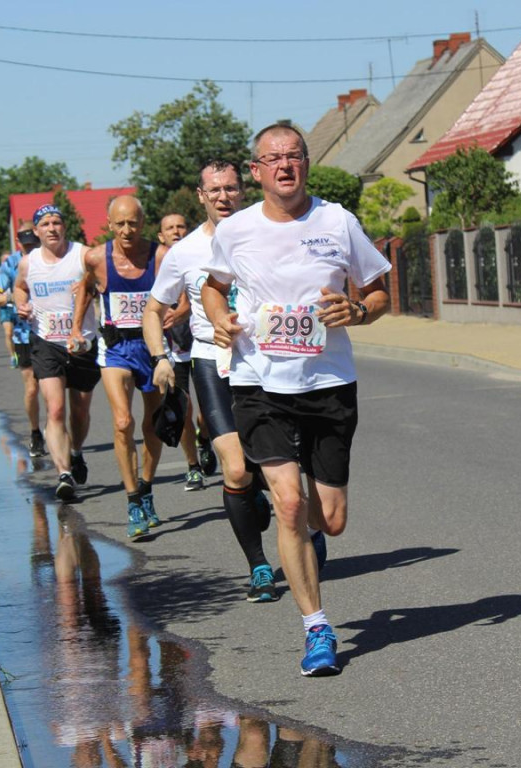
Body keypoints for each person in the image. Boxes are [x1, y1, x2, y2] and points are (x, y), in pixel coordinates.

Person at [202, 123, 391, 676]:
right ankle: (317, 629)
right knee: (287, 504)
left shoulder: (338, 222)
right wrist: (219, 319)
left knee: (329, 519)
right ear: (256, 170)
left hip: (328, 383)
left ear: (306, 164)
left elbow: (378, 289)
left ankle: (303, 534)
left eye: (294, 156)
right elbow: (214, 285)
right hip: (259, 382)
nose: (285, 165)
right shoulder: (235, 230)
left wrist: (357, 311)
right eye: (273, 158)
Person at [143, 160, 279, 602]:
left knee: (269, 465)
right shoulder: (183, 252)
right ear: (200, 196)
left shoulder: (267, 231)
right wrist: (160, 357)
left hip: (266, 361)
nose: (223, 196)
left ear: (244, 191)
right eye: (214, 190)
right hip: (211, 360)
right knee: (235, 467)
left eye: (231, 188)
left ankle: (263, 497)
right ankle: (258, 566)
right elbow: (152, 309)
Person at [74, 195, 168, 540]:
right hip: (116, 348)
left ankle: (146, 488)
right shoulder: (97, 257)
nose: (127, 230)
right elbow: (85, 290)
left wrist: (174, 315)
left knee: (154, 424)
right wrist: (75, 328)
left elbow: (182, 294)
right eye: (120, 224)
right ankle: (131, 501)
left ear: (143, 223)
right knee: (123, 421)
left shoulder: (160, 255)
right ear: (109, 223)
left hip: (153, 346)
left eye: (133, 223)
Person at [15, 205, 100, 501]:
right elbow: (19, 288)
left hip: (82, 342)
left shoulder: (84, 255)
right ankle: (63, 473)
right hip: (45, 340)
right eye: (45, 224)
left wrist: (92, 284)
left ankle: (76, 452)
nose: (52, 228)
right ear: (36, 231)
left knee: (79, 409)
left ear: (65, 228)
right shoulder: (29, 262)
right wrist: (21, 304)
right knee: (55, 409)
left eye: (57, 223)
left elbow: (104, 279)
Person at [156, 213, 204, 492]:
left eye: (181, 226)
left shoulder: (199, 256)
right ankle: (193, 466)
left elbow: (187, 304)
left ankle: (206, 439)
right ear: (161, 236)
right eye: (169, 228)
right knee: (183, 409)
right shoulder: (157, 264)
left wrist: (181, 312)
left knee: (209, 412)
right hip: (174, 350)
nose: (176, 231)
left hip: (201, 344)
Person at [0, 225, 47, 457]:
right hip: (24, 333)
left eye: (33, 244)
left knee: (54, 389)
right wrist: (14, 295)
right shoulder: (10, 265)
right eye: (26, 245)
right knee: (32, 388)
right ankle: (35, 433)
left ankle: (57, 431)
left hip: (50, 332)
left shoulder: (50, 258)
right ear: (18, 243)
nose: (30, 249)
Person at [0, 252, 18, 367]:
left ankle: (21, 353)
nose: (7, 262)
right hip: (5, 307)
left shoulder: (19, 269)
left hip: (18, 306)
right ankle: (12, 356)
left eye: (9, 259)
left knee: (20, 334)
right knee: (8, 333)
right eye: (4, 260)